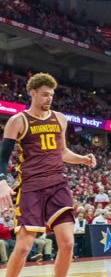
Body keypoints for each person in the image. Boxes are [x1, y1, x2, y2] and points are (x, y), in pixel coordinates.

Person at [0, 72, 96, 277]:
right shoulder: (18, 121)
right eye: (44, 94)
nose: (49, 99)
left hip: (58, 186)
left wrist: (82, 158)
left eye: (51, 95)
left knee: (68, 243)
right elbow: (2, 158)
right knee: (25, 247)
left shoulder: (59, 119)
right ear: (32, 93)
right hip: (31, 187)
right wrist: (2, 182)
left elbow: (62, 153)